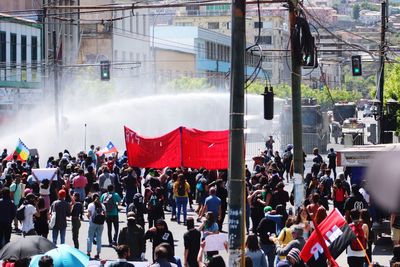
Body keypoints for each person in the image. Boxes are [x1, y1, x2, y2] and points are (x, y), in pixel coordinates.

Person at [87, 193, 106, 260]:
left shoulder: (91, 205)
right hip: (101, 224)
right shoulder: (103, 205)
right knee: (99, 238)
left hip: (93, 223)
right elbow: (105, 215)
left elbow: (89, 215)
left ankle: (88, 252)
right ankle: (98, 254)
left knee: (90, 237)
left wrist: (89, 218)